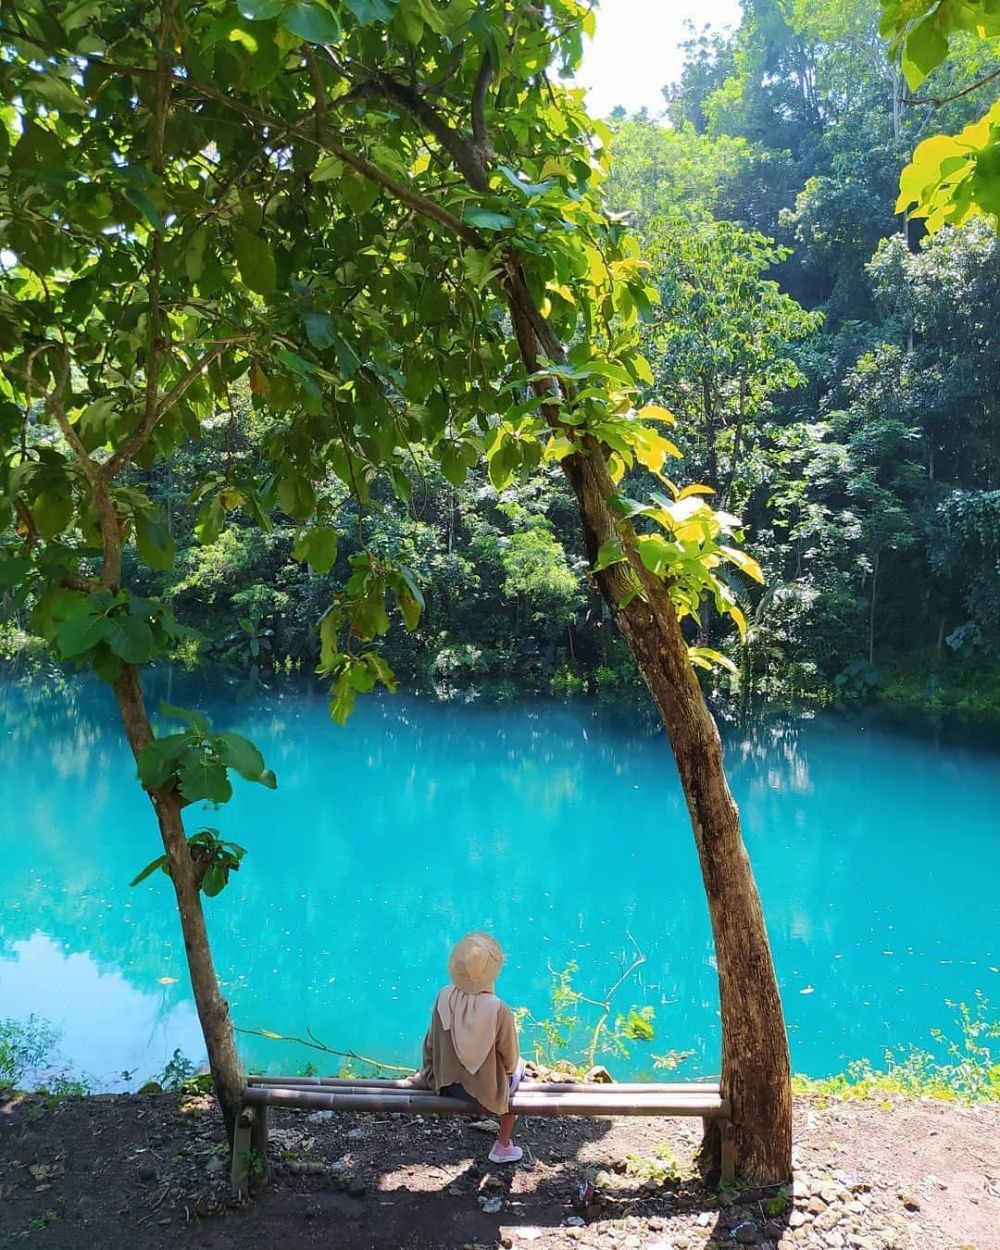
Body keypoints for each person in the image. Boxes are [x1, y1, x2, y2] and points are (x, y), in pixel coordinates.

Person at [411, 931, 525, 1164]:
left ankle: (502, 1144)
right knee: (521, 1071)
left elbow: (430, 1045)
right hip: (485, 1094)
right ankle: (502, 1146)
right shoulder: (499, 1010)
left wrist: (428, 1075)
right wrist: (514, 1070)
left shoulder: (443, 996)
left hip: (446, 1085)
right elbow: (510, 1061)